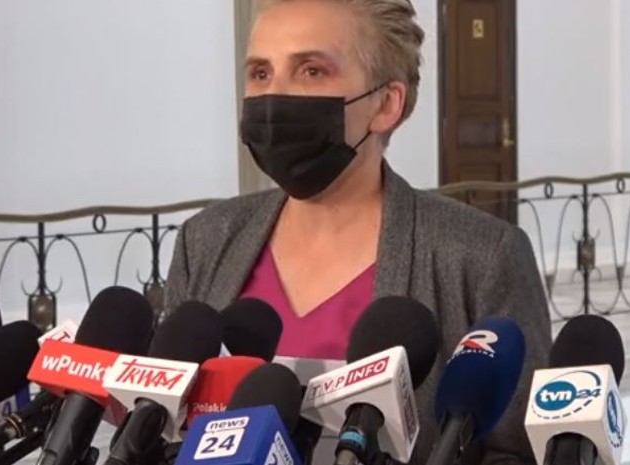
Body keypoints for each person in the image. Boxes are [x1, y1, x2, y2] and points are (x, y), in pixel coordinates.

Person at [164, 0, 551, 463]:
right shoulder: (205, 242)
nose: (273, 98)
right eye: (260, 73)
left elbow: (519, 451)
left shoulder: (482, 256)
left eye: (311, 71)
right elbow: (166, 430)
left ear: (386, 104)